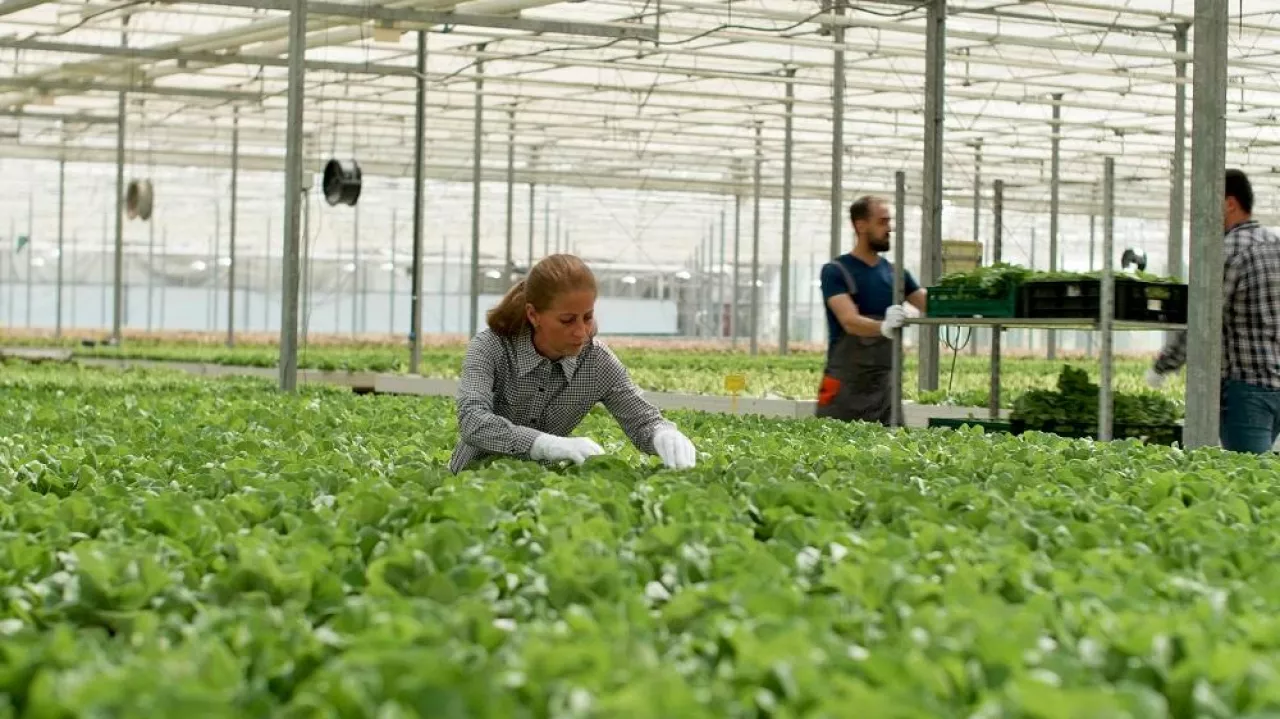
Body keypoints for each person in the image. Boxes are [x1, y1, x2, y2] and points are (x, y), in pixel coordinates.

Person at [449, 254, 698, 474]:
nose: (581, 332)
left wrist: (663, 434)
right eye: (567, 320)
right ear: (533, 315)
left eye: (587, 317)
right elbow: (473, 420)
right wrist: (545, 444)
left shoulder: (597, 361)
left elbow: (642, 420)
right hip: (472, 480)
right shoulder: (491, 347)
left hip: (539, 492)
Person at [1147, 169, 1280, 453]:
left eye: (1209, 202)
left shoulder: (1226, 251)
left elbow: (1203, 321)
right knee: (1265, 482)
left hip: (1248, 388)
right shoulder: (1275, 244)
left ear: (1230, 203)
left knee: (1245, 479)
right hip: (1275, 383)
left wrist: (1164, 366)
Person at [816, 195, 928, 424]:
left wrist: (967, 298)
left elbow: (927, 303)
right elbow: (849, 321)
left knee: (893, 454)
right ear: (861, 225)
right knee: (834, 451)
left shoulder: (895, 274)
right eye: (883, 222)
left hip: (884, 391)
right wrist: (884, 326)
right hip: (844, 389)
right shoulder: (836, 271)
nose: (890, 228)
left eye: (889, 222)